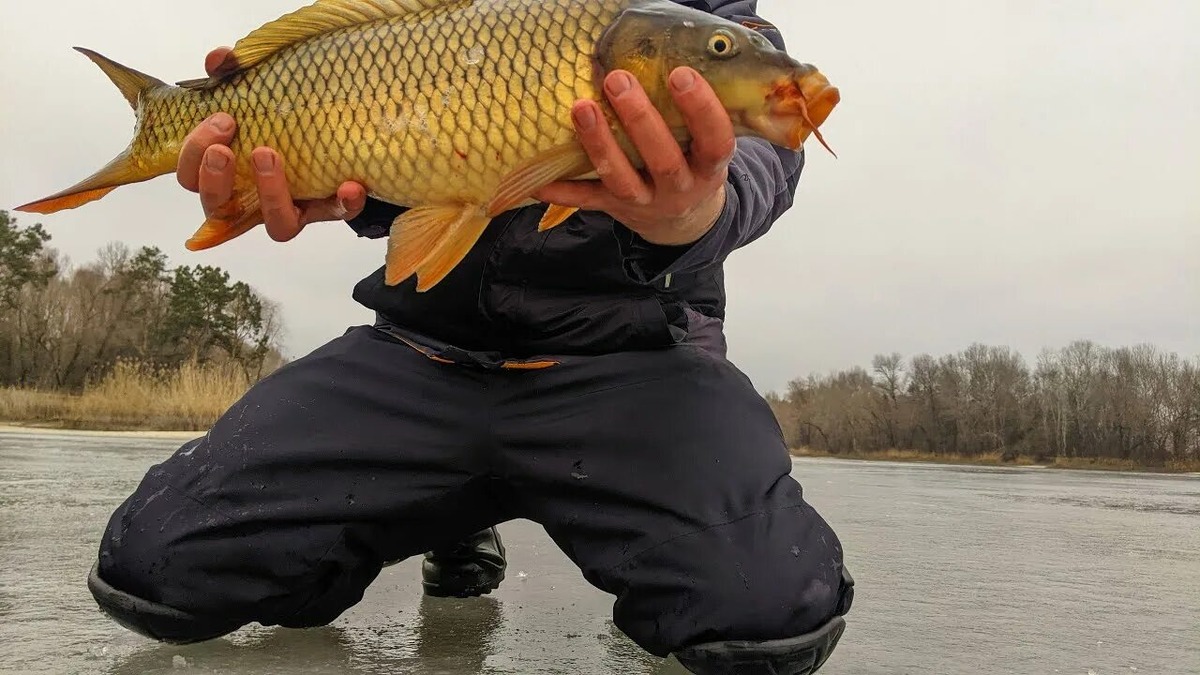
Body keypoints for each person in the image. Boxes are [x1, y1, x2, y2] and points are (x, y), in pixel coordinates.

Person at [85, 1, 855, 673]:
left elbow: (766, 155)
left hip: (637, 364)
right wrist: (317, 178)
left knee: (766, 616)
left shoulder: (701, 24)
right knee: (152, 566)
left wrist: (700, 212)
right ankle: (452, 509)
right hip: (425, 352)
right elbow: (413, 152)